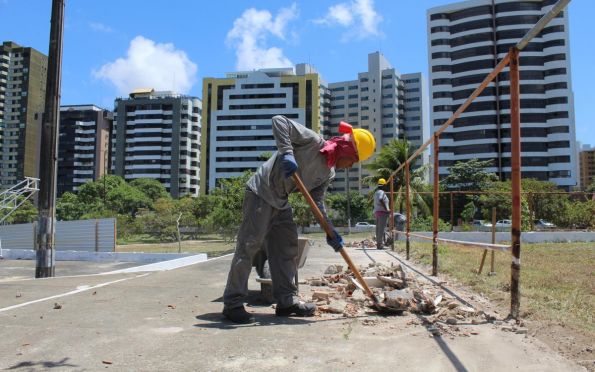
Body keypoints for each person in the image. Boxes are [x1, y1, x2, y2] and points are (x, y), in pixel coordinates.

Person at [222, 115, 376, 324]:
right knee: (249, 245)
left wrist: (330, 230)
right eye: (353, 161)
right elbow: (279, 121)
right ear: (348, 150)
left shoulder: (329, 173)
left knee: (287, 248)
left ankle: (286, 302)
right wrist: (287, 153)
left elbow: (317, 202)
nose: (350, 166)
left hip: (281, 201)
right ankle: (232, 304)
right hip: (261, 191)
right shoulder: (313, 142)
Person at [373, 178, 390, 249]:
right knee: (381, 229)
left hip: (378, 212)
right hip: (382, 212)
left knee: (379, 229)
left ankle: (379, 244)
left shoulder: (376, 192)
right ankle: (380, 244)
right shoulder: (381, 192)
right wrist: (387, 209)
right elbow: (380, 199)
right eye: (385, 185)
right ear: (383, 185)